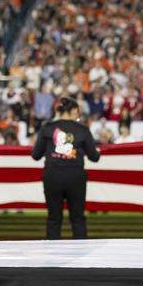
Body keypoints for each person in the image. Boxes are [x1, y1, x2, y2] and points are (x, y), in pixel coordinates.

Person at [31, 97, 100, 240]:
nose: (78, 115)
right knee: (78, 219)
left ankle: (53, 259)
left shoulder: (47, 128)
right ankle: (82, 258)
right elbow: (94, 156)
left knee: (54, 219)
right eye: (77, 112)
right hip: (75, 176)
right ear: (73, 110)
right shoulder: (82, 129)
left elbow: (36, 155)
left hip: (52, 175)